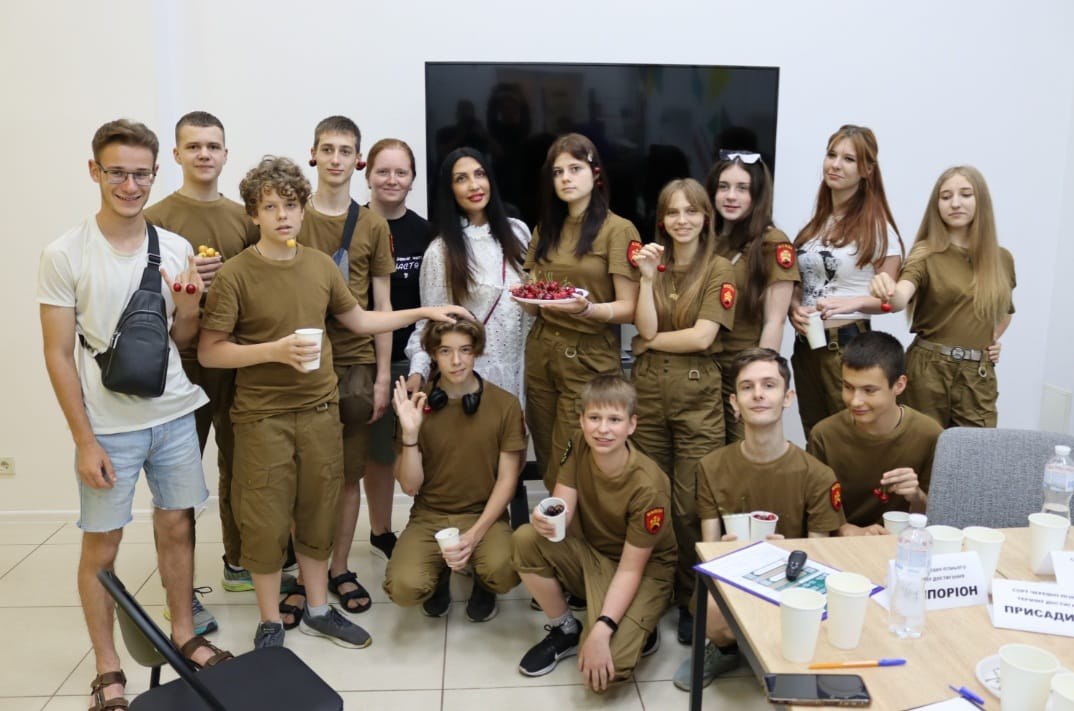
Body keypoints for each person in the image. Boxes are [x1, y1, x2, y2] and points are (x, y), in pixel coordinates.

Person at [198, 155, 470, 650]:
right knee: (265, 519)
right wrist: (274, 351)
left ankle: (320, 609)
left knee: (319, 511)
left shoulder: (320, 266)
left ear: (302, 210)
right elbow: (210, 351)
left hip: (320, 412)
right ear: (253, 214)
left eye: (290, 205)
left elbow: (361, 321)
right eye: (270, 206)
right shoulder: (237, 274)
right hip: (261, 417)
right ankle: (270, 622)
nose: (282, 215)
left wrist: (427, 311)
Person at [39, 119, 233, 711]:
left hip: (174, 415)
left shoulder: (172, 247)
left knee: (177, 527)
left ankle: (184, 635)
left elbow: (181, 339)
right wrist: (84, 441)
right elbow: (58, 353)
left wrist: (191, 305)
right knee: (102, 546)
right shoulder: (65, 253)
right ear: (94, 171)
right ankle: (107, 668)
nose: (130, 185)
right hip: (108, 429)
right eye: (117, 172)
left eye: (141, 174)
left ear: (155, 174)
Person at [144, 111, 268, 624]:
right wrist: (185, 281)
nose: (203, 154)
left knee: (242, 470)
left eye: (212, 146)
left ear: (225, 154)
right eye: (193, 146)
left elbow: (262, 282)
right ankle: (182, 594)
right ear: (176, 154)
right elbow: (142, 296)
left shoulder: (245, 218)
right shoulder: (154, 218)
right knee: (178, 482)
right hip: (178, 367)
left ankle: (238, 563)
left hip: (236, 364)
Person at [673, 348, 846, 691]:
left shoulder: (817, 474)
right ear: (734, 403)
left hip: (795, 581)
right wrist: (723, 553)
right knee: (709, 608)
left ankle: (782, 650)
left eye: (769, 385)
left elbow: (821, 557)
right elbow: (706, 551)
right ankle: (725, 649)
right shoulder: (711, 467)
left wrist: (785, 553)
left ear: (787, 397)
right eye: (747, 387)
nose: (758, 394)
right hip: (735, 574)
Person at [512, 375, 675, 692]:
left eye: (614, 419)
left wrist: (603, 629)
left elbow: (630, 569)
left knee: (611, 670)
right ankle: (566, 628)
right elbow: (563, 506)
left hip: (641, 570)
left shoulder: (648, 486)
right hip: (594, 553)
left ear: (631, 425)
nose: (602, 429)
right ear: (582, 420)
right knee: (525, 539)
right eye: (594, 418)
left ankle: (639, 621)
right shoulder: (578, 442)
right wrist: (545, 518)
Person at [629, 178, 735, 645]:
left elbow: (702, 337)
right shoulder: (653, 264)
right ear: (662, 220)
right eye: (672, 212)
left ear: (705, 217)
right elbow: (644, 323)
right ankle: (659, 590)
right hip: (649, 392)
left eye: (691, 211)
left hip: (697, 394)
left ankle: (695, 598)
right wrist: (646, 278)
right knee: (652, 495)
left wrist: (648, 343)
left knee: (693, 501)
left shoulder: (719, 268)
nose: (682, 220)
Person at [297, 116, 395, 617]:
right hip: (300, 359)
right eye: (328, 148)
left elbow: (381, 304)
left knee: (347, 475)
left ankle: (338, 567)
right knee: (302, 476)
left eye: (345, 151)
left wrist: (383, 376)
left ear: (358, 161)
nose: (335, 159)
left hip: (356, 362)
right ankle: (304, 573)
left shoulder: (373, 225)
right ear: (313, 154)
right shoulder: (291, 214)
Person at [384, 320, 525, 621]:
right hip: (430, 515)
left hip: (485, 514)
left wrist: (473, 536)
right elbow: (410, 486)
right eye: (446, 351)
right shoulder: (416, 405)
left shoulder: (506, 405)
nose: (457, 361)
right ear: (434, 354)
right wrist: (410, 435)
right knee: (405, 588)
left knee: (504, 571)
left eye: (465, 350)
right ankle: (439, 575)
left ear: (477, 352)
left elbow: (507, 480)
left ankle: (484, 582)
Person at [522, 133, 641, 491]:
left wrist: (588, 310)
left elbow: (630, 308)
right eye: (558, 172)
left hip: (588, 354)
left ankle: (577, 524)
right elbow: (533, 294)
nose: (566, 179)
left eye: (575, 169)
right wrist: (524, 297)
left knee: (573, 456)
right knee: (546, 451)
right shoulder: (546, 227)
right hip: (542, 349)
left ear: (595, 174)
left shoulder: (618, 230)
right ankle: (559, 520)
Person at [870, 166, 1016, 428]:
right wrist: (887, 289)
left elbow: (1005, 311)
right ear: (936, 205)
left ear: (981, 200)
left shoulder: (1001, 259)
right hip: (929, 369)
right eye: (946, 196)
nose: (955, 203)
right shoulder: (926, 252)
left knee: (976, 448)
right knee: (923, 446)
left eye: (965, 194)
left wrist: (989, 339)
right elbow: (901, 297)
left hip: (977, 374)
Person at [789, 125, 904, 439]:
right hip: (807, 346)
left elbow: (891, 299)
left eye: (848, 159)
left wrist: (852, 303)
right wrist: (794, 307)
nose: (836, 165)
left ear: (866, 170)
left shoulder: (878, 228)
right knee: (817, 438)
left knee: (851, 438)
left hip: (847, 346)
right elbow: (799, 282)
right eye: (831, 155)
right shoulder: (814, 225)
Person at [405, 147, 532, 402]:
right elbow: (429, 323)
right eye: (461, 179)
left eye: (479, 174)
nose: (474, 185)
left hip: (527, 374)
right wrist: (417, 371)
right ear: (450, 189)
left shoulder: (518, 233)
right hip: (474, 379)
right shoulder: (441, 251)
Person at [362, 138, 436, 558]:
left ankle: (425, 527)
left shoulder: (426, 234)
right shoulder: (353, 226)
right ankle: (380, 530)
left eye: (401, 172)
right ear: (368, 175)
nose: (391, 180)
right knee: (377, 453)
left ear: (412, 179)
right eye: (383, 171)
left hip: (416, 358)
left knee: (418, 445)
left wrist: (421, 364)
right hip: (365, 359)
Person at [706, 150, 800, 443]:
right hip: (704, 371)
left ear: (757, 194)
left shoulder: (772, 243)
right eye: (723, 187)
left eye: (742, 188)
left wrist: (755, 382)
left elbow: (775, 321)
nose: (730, 196)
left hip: (742, 370)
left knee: (745, 453)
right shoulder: (707, 239)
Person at [808, 331, 943, 534]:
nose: (855, 401)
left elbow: (938, 518)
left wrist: (916, 495)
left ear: (899, 385)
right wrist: (849, 531)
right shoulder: (824, 435)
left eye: (869, 390)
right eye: (848, 387)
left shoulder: (930, 434)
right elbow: (816, 512)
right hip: (845, 544)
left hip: (906, 542)